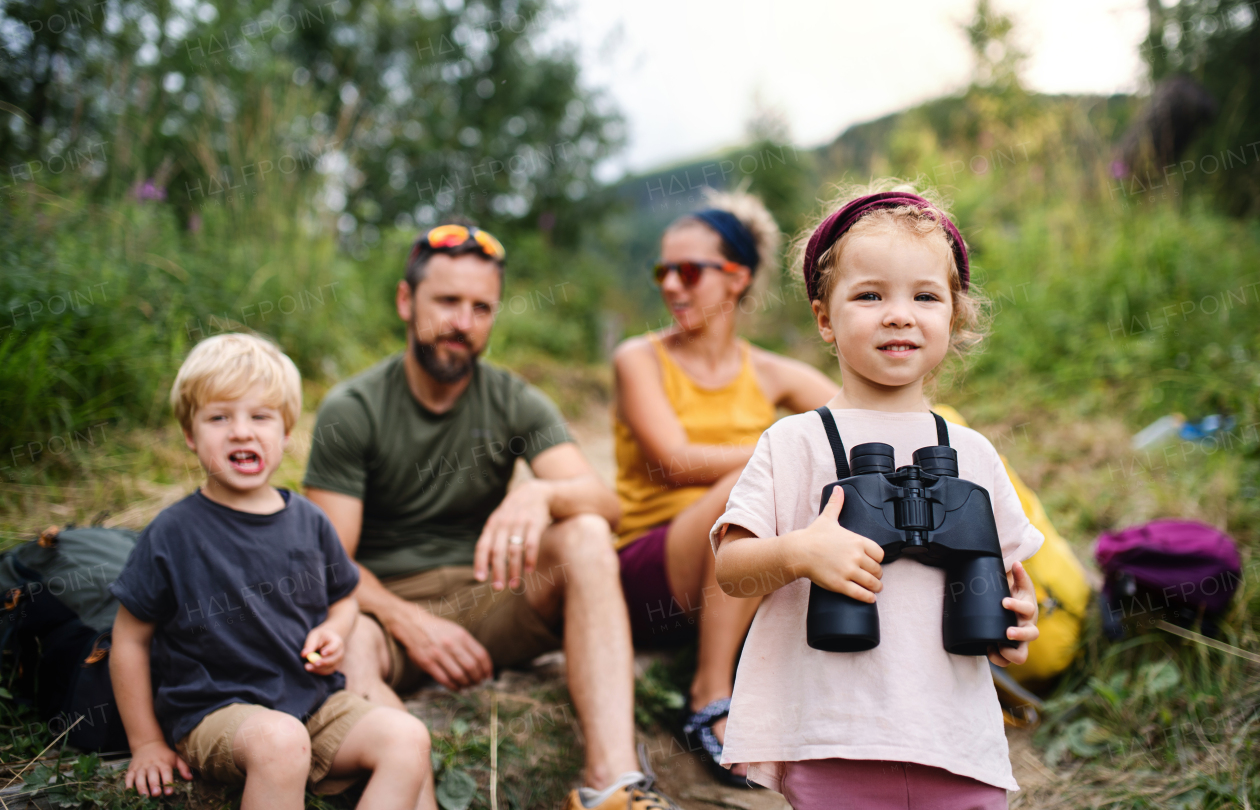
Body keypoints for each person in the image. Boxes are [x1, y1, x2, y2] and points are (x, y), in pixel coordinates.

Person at [303, 221, 678, 810]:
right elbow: (330, 562)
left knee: (581, 531)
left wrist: (541, 496)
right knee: (350, 647)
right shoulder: (352, 409)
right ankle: (410, 784)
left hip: (488, 600)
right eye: (447, 302)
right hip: (385, 612)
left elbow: (608, 508)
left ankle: (612, 787)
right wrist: (410, 622)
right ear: (406, 301)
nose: (463, 323)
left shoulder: (512, 398)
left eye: (482, 308)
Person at [711, 183, 1044, 809]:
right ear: (823, 318)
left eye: (925, 296)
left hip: (957, 742)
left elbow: (1011, 581)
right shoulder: (795, 443)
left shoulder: (971, 453)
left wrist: (1015, 623)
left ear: (954, 314)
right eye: (869, 296)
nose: (899, 314)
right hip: (837, 741)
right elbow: (730, 569)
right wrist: (801, 554)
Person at [109, 333, 434, 810]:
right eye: (219, 417)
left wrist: (334, 630)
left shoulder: (308, 520)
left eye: (260, 417)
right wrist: (146, 743)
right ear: (190, 434)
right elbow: (129, 641)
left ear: (284, 434)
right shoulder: (173, 533)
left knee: (407, 737)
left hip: (313, 701)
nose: (241, 432)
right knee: (281, 742)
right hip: (215, 712)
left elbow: (344, 596)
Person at [611, 191, 837, 786]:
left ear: (735, 279)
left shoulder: (768, 371)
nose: (672, 287)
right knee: (757, 480)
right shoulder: (639, 358)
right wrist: (780, 451)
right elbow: (676, 461)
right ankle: (709, 692)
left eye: (689, 271)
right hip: (653, 565)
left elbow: (855, 418)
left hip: (740, 567)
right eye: (664, 272)